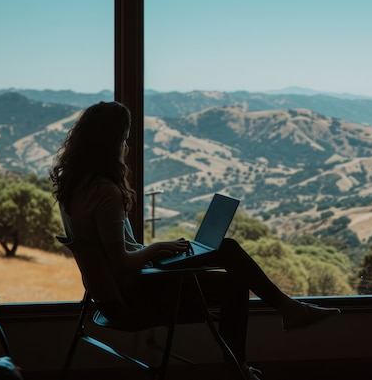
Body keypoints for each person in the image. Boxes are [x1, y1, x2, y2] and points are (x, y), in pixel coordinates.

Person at [50, 101, 340, 380]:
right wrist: (157, 248)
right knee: (232, 274)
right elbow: (120, 261)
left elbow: (112, 252)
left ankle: (275, 325)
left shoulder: (73, 185)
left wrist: (157, 250)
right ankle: (265, 336)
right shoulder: (105, 193)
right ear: (109, 143)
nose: (126, 147)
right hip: (134, 298)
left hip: (110, 297)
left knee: (223, 253)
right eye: (124, 139)